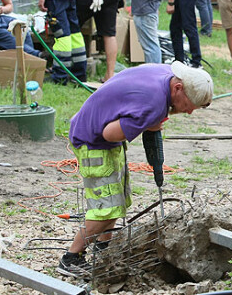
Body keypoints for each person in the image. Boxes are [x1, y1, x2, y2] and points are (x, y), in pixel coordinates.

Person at [56, 61, 213, 278]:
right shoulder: (154, 104)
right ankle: (71, 258)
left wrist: (153, 120)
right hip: (93, 142)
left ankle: (104, 250)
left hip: (102, 139)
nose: (189, 112)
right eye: (189, 105)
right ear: (178, 88)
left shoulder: (167, 73)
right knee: (105, 208)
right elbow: (109, 133)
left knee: (117, 200)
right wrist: (149, 122)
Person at [162, 0, 202, 68]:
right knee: (175, 27)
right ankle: (179, 61)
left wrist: (170, 3)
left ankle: (196, 62)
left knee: (188, 25)